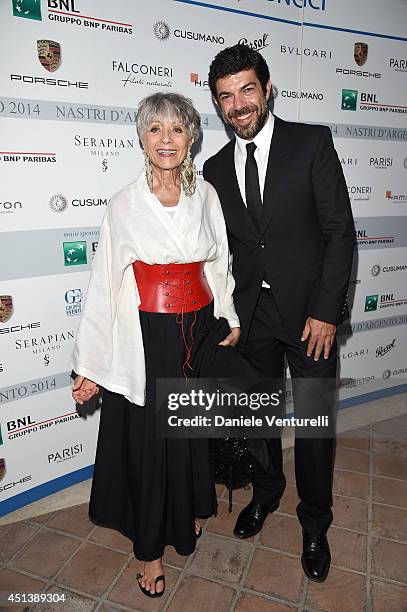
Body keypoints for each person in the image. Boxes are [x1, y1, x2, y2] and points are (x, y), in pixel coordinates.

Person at [71, 92, 240, 598]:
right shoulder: (124, 203)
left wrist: (227, 313)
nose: (166, 140)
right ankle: (148, 550)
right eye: (155, 130)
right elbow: (105, 284)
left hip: (199, 328)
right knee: (149, 441)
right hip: (145, 336)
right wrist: (92, 367)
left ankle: (184, 511)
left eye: (177, 130)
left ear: (191, 137)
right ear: (142, 138)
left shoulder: (206, 195)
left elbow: (219, 262)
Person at [203, 44, 355, 582]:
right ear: (218, 105)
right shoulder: (215, 168)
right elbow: (220, 251)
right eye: (226, 97)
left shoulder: (311, 142)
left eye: (248, 90)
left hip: (310, 316)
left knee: (314, 427)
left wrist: (326, 312)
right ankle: (266, 492)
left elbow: (339, 233)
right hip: (252, 318)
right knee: (258, 417)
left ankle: (315, 521)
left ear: (268, 89)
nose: (239, 105)